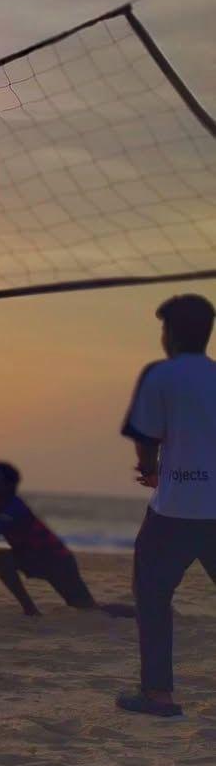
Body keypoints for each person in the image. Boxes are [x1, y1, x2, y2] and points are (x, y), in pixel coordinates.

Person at [117, 293, 216, 718]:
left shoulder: (160, 375)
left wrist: (149, 468)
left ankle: (158, 694)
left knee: (153, 597)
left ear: (170, 334)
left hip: (174, 510)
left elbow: (145, 435)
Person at [0, 462, 100, 616]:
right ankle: (30, 610)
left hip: (57, 561)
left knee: (88, 608)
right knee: (1, 558)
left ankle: (125, 614)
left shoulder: (15, 507)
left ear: (9, 485)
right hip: (32, 558)